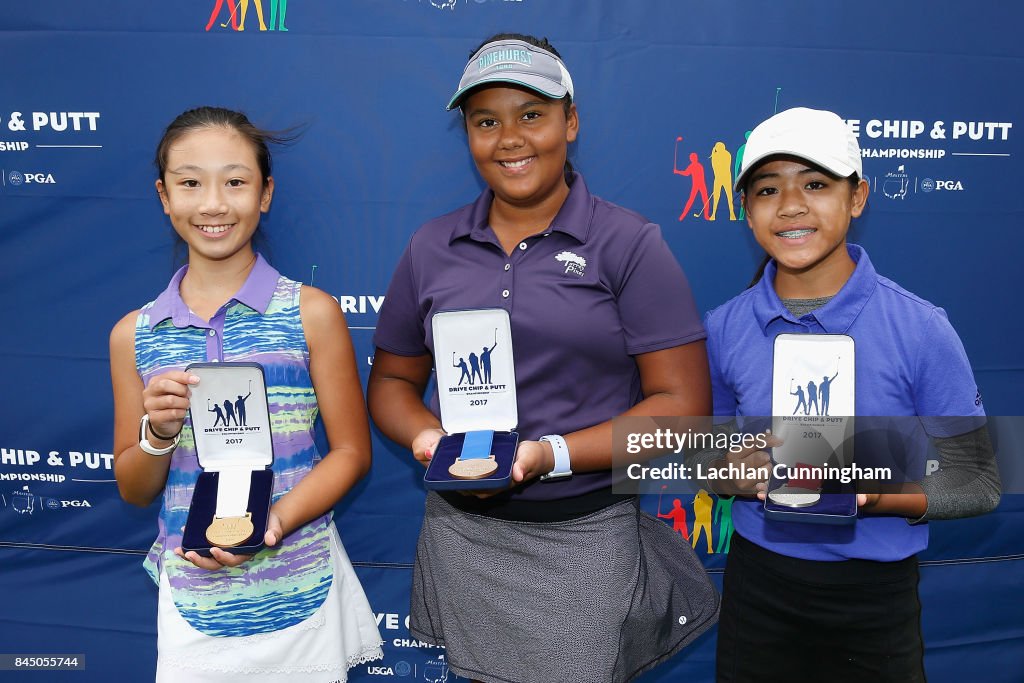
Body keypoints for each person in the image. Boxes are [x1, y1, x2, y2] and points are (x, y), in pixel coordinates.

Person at [367, 33, 719, 683]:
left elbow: (683, 409)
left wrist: (546, 454)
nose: (510, 138)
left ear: (571, 121)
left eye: (532, 114)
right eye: (486, 121)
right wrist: (426, 437)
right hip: (463, 535)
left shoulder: (628, 244)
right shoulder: (432, 246)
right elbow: (391, 378)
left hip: (583, 536)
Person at [700, 107, 1001, 682]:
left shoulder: (920, 327)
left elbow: (977, 482)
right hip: (758, 585)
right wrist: (727, 473)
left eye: (815, 184)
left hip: (874, 597)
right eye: (768, 189)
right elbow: (709, 458)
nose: (791, 205)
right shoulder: (724, 327)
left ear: (857, 197)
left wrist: (872, 494)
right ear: (746, 209)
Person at [109, 106, 383, 682]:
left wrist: (274, 521)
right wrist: (157, 433)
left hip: (302, 590)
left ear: (265, 194)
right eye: (190, 183)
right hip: (194, 605)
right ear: (164, 196)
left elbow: (352, 453)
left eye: (235, 181)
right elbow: (134, 488)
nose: (212, 203)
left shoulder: (311, 313)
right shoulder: (135, 335)